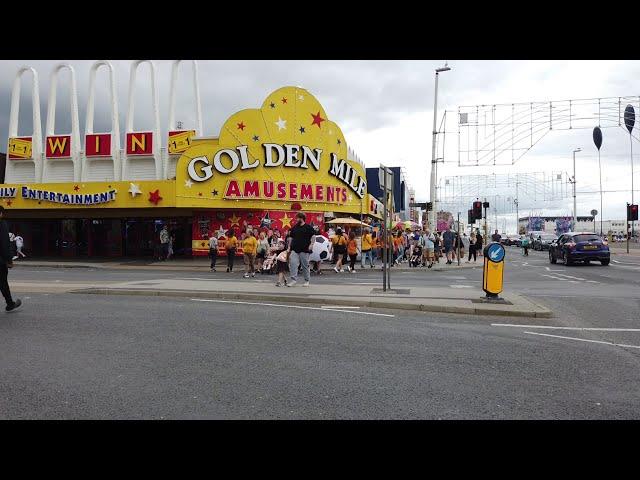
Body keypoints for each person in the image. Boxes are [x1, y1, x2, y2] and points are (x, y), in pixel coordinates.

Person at [0, 207, 22, 312]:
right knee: (3, 282)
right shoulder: (1, 224)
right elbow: (5, 244)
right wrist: (9, 260)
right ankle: (10, 303)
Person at [287, 212, 315, 287]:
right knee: (292, 263)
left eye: (297, 218)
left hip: (304, 249)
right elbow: (291, 238)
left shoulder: (308, 227)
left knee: (305, 265)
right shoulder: (295, 227)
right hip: (294, 249)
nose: (296, 220)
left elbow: (313, 236)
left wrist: (311, 244)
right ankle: (293, 280)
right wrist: (289, 247)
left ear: (301, 218)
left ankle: (306, 280)